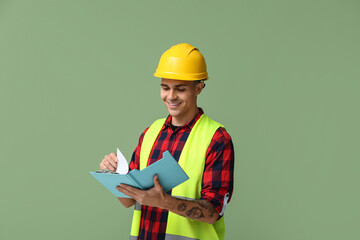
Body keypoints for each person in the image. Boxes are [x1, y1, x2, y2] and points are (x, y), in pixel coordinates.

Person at [100, 43, 234, 240]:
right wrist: (114, 176)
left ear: (198, 88)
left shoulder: (216, 139)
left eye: (180, 89)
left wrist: (164, 202)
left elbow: (213, 211)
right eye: (165, 88)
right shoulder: (150, 133)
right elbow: (129, 200)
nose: (171, 96)